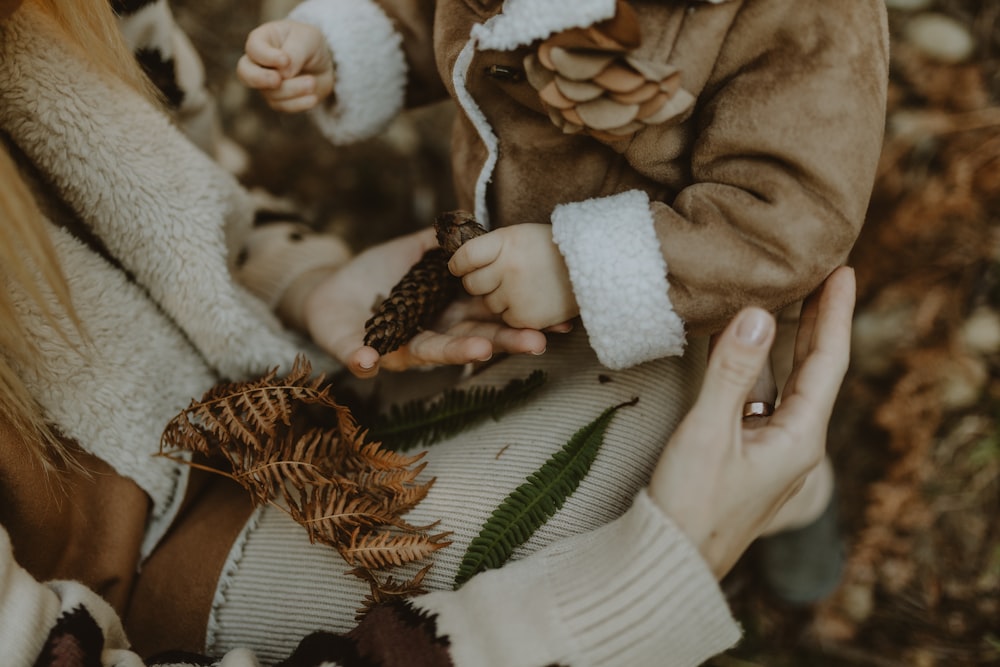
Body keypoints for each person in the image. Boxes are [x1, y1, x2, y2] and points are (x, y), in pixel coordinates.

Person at [0, 0, 854, 664]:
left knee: (709, 386)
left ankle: (792, 492)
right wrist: (639, 586)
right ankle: (757, 505)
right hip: (124, 574)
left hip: (285, 355)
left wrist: (292, 280)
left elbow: (156, 183)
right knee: (637, 453)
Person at [237, 0, 887, 603]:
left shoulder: (805, 19)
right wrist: (346, 48)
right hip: (516, 282)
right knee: (561, 457)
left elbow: (787, 216)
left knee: (738, 450)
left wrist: (575, 267)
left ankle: (797, 503)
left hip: (700, 308)